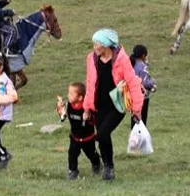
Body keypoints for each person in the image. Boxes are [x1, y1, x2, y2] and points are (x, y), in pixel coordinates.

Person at [83, 29, 144, 181]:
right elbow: (90, 82)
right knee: (104, 137)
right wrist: (87, 107)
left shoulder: (122, 60)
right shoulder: (91, 58)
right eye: (94, 43)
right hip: (98, 105)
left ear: (106, 45)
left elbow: (133, 83)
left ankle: (107, 166)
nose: (95, 47)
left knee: (102, 134)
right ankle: (108, 167)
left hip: (117, 105)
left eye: (97, 44)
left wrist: (137, 109)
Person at [57, 82, 101, 180]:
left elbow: (94, 120)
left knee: (91, 154)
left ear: (80, 98)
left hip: (88, 137)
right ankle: (73, 171)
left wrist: (89, 116)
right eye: (68, 93)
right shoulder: (68, 105)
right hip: (75, 137)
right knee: (72, 154)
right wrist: (60, 110)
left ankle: (97, 165)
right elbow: (63, 117)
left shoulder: (87, 107)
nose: (68, 95)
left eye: (71, 94)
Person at [130, 44, 155, 125]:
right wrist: (152, 82)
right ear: (143, 55)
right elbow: (145, 82)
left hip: (132, 96)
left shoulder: (130, 64)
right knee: (142, 120)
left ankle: (133, 134)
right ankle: (139, 136)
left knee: (134, 119)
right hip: (142, 97)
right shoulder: (142, 66)